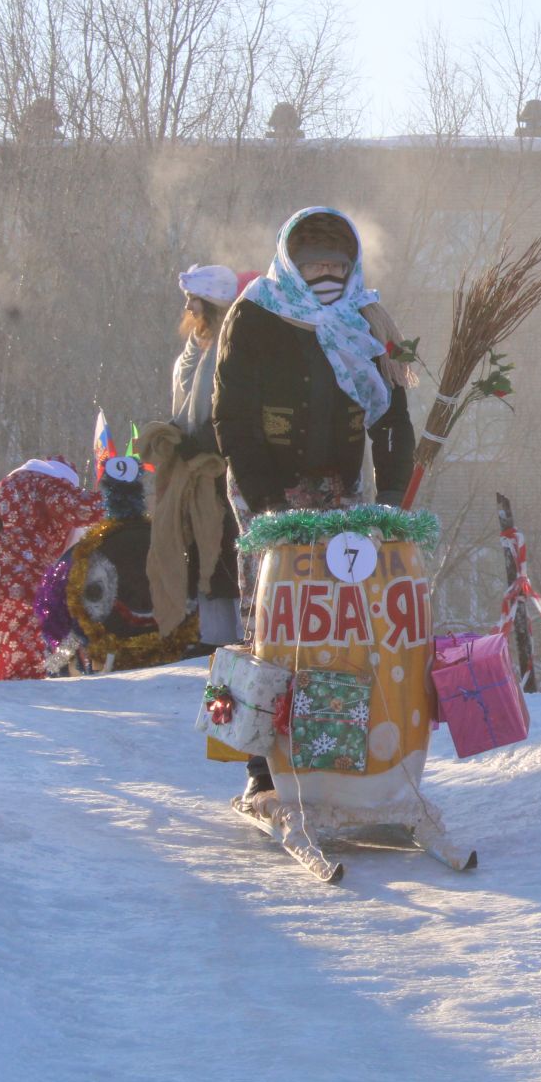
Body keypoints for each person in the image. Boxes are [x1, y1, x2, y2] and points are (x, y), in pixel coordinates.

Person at [212, 208, 414, 797]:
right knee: (271, 623)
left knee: (337, 626)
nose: (326, 273)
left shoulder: (369, 320)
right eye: (314, 264)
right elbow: (233, 418)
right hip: (268, 493)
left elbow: (393, 419)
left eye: (336, 264)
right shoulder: (254, 316)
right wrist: (269, 503)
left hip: (342, 493)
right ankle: (262, 770)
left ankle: (329, 755)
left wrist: (395, 494)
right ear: (290, 264)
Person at [144, 264, 251, 649]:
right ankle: (212, 638)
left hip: (223, 469)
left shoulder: (233, 345)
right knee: (202, 553)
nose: (188, 309)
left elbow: (234, 407)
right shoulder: (197, 348)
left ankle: (239, 638)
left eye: (194, 301)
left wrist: (203, 442)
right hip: (195, 468)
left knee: (225, 552)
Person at [0, 457, 103, 681]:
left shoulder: (9, 483)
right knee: (28, 641)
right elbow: (84, 508)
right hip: (23, 577)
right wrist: (117, 492)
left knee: (1, 641)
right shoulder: (50, 484)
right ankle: (23, 694)